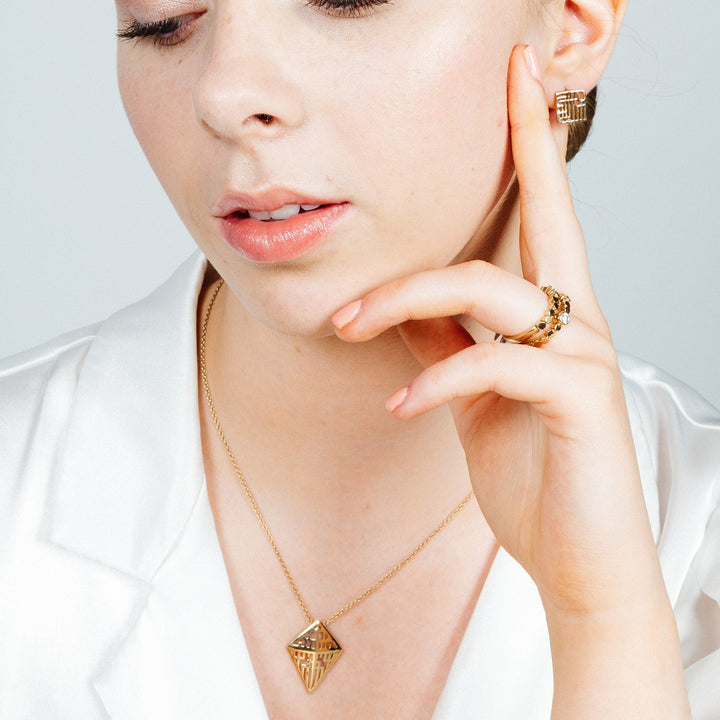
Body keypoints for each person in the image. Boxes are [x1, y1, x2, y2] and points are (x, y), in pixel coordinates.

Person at [1, 1, 718, 718]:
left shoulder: (700, 537)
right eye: (164, 20)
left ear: (573, 25)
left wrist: (605, 621)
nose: (222, 93)